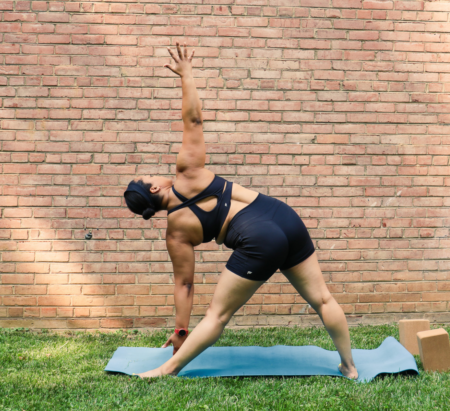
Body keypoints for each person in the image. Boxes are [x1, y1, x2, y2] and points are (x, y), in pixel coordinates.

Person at [123, 43, 358, 380]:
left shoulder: (176, 232)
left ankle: (167, 369)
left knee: (217, 316)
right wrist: (186, 75)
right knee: (323, 299)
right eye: (149, 177)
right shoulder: (187, 171)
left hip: (257, 238)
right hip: (283, 216)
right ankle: (349, 367)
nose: (154, 174)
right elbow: (193, 119)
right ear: (155, 189)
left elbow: (185, 285)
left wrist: (180, 330)